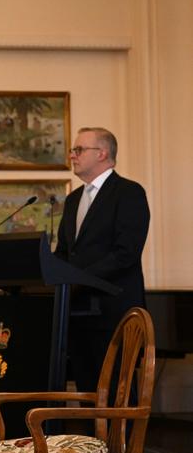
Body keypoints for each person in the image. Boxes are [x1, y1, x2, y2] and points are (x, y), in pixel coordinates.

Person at [54, 127, 150, 393]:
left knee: (119, 390)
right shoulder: (73, 199)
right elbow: (64, 251)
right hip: (77, 310)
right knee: (87, 388)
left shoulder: (129, 193)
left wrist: (77, 280)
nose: (72, 155)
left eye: (79, 150)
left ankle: (119, 438)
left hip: (113, 312)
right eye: (74, 150)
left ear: (102, 153)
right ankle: (90, 437)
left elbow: (125, 253)